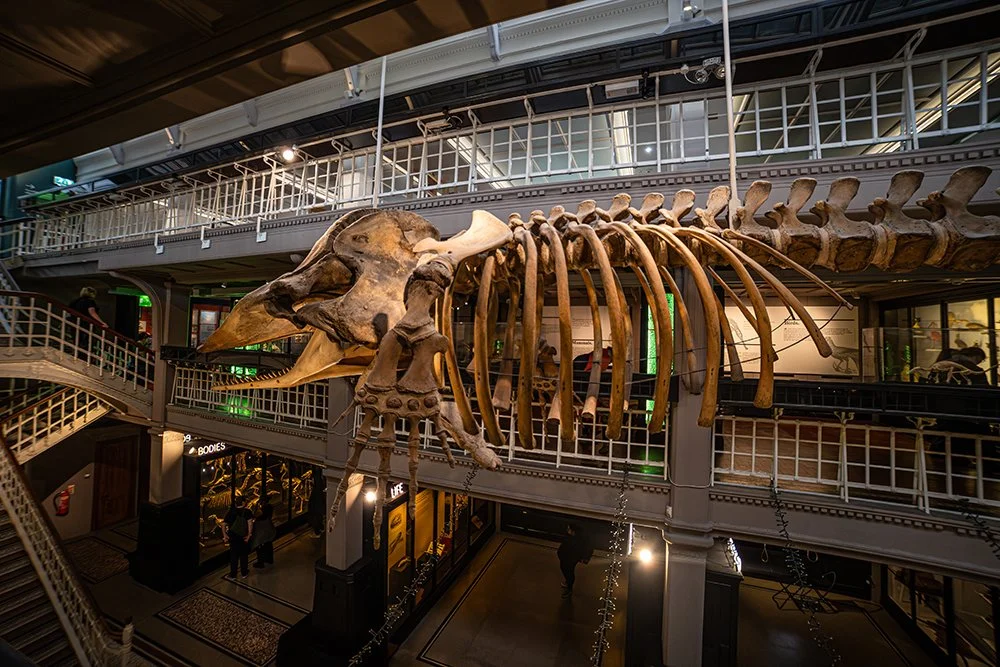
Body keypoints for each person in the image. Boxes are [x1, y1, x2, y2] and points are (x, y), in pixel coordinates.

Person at [557, 523, 593, 599]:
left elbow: (588, 549)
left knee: (569, 572)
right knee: (564, 569)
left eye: (569, 529)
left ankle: (569, 588)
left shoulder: (580, 540)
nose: (567, 530)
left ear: (573, 531)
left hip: (571, 559)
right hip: (564, 557)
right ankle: (568, 582)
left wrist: (585, 558)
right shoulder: (570, 536)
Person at [223, 495, 253, 578]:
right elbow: (250, 523)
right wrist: (249, 535)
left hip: (232, 536)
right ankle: (244, 572)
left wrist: (225, 535)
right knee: (244, 554)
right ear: (243, 502)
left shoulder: (230, 512)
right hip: (243, 536)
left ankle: (233, 574)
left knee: (233, 555)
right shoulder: (247, 512)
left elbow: (224, 524)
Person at [250, 502, 276, 569]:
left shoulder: (260, 519)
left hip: (261, 537)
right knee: (269, 545)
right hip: (268, 535)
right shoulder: (268, 516)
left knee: (260, 549)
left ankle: (260, 563)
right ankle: (269, 559)